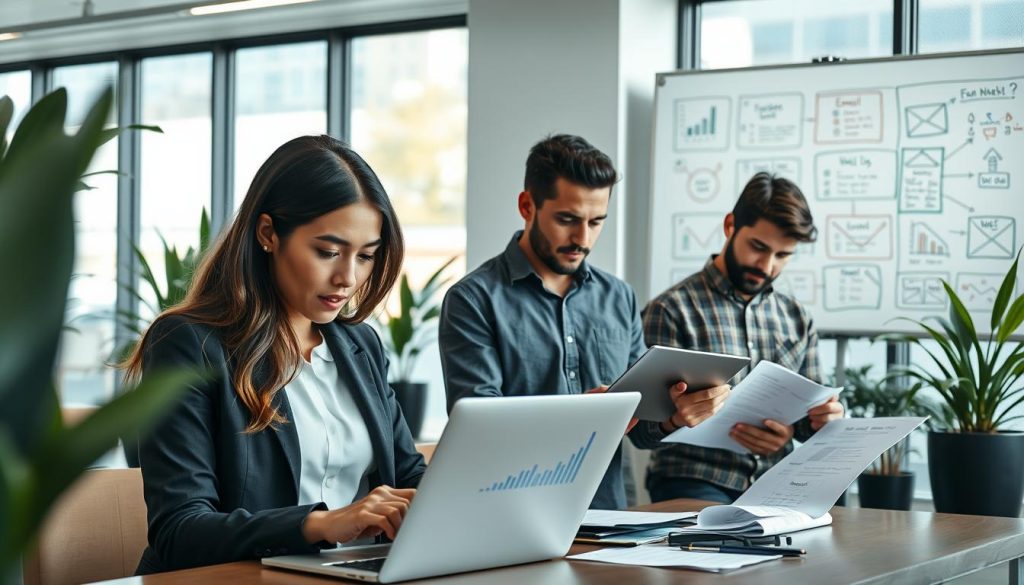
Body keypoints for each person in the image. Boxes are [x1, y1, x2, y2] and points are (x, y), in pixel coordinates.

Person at [122, 135, 425, 573]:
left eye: (366, 257)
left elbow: (407, 473)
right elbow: (180, 531)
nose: (347, 277)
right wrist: (322, 524)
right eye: (328, 252)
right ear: (268, 234)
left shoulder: (361, 345)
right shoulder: (188, 344)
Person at [438, 134, 730, 510]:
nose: (582, 238)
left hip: (607, 514)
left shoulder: (618, 297)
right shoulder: (473, 300)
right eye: (567, 220)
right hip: (511, 514)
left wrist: (676, 415)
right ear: (527, 206)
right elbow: (478, 430)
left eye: (596, 222)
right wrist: (576, 420)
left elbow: (641, 430)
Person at [642, 172, 844, 504]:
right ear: (729, 226)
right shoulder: (670, 309)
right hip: (692, 481)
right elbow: (643, 432)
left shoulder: (797, 318)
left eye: (782, 256)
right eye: (758, 247)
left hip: (777, 483)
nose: (766, 266)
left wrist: (821, 421)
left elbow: (809, 420)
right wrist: (677, 418)